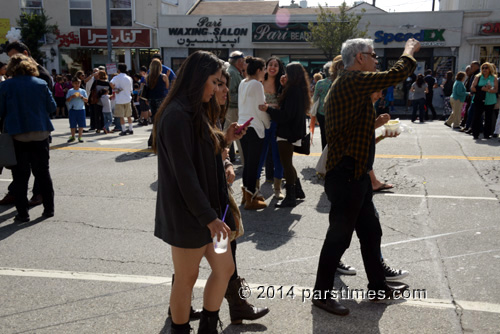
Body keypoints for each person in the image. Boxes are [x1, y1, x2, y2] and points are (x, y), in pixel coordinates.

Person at [313, 38, 420, 316]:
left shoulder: (353, 86)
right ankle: (321, 294)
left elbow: (352, 131)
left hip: (356, 174)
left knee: (371, 231)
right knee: (339, 238)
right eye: (373, 56)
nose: (375, 61)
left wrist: (379, 127)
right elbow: (396, 74)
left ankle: (377, 286)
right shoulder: (351, 80)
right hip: (345, 174)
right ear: (359, 58)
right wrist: (408, 51)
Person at [153, 50, 244, 334]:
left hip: (211, 212)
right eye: (216, 82)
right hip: (189, 216)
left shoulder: (200, 111)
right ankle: (180, 330)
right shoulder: (176, 115)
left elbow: (206, 156)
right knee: (186, 277)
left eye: (221, 83)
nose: (220, 89)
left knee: (225, 268)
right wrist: (210, 218)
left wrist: (226, 140)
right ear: (198, 79)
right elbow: (184, 175)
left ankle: (208, 323)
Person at [0, 54, 56, 222]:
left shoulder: (6, 86)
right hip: (41, 132)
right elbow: (52, 107)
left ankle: (23, 213)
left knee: (20, 176)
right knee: (43, 172)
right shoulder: (41, 83)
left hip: (17, 134)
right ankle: (49, 209)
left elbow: (1, 111)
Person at [259, 62, 310, 208]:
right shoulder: (298, 89)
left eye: (287, 73)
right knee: (287, 162)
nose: (284, 75)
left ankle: (291, 196)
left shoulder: (293, 91)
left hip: (287, 132)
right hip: (293, 130)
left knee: (286, 164)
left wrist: (268, 109)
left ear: (292, 75)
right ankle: (297, 190)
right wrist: (283, 86)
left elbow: (285, 114)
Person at [238, 56, 269, 210]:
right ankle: (250, 197)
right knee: (253, 163)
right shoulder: (257, 84)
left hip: (242, 125)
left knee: (248, 163)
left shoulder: (243, 83)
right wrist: (268, 124)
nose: (265, 72)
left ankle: (247, 194)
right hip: (254, 126)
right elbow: (261, 108)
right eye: (264, 69)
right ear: (258, 70)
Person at [256, 56, 285, 200]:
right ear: (266, 67)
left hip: (276, 124)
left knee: (277, 156)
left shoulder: (282, 84)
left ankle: (278, 188)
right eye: (270, 65)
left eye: (276, 65)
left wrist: (269, 107)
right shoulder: (259, 83)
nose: (273, 67)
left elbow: (284, 107)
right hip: (260, 124)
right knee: (259, 156)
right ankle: (255, 189)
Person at [226, 51, 246, 163]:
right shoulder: (233, 73)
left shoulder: (235, 72)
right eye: (243, 61)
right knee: (236, 135)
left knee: (234, 136)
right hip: (233, 109)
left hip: (235, 108)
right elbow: (230, 94)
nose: (244, 63)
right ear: (239, 61)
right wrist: (245, 96)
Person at [313, 59, 337, 150]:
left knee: (323, 134)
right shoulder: (337, 82)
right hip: (334, 113)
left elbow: (315, 98)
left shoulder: (320, 83)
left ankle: (324, 153)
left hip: (321, 112)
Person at [470, 62, 498, 140]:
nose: (484, 69)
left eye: (486, 68)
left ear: (490, 69)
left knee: (488, 117)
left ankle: (487, 134)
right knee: (477, 116)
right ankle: (475, 133)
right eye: (483, 68)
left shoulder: (493, 77)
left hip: (490, 100)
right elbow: (472, 88)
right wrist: (482, 88)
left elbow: (496, 90)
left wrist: (488, 90)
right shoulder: (477, 77)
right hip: (479, 99)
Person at [146, 59, 169, 147]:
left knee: (155, 120)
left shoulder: (148, 77)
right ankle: (155, 140)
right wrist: (167, 76)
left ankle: (153, 140)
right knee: (160, 120)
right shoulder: (163, 76)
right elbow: (167, 87)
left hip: (151, 99)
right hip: (161, 99)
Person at [110, 63, 133, 136]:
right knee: (129, 115)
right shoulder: (129, 78)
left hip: (119, 99)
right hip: (128, 98)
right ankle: (130, 129)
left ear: (118, 70)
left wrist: (114, 88)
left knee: (121, 116)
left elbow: (111, 83)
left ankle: (123, 130)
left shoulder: (116, 77)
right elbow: (130, 90)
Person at [66, 77, 88, 143]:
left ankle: (80, 137)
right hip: (72, 109)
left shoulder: (83, 91)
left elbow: (86, 100)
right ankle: (73, 136)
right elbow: (67, 100)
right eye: (75, 83)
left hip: (81, 109)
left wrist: (81, 97)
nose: (77, 85)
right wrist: (72, 96)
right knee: (72, 124)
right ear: (72, 84)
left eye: (78, 83)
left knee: (81, 125)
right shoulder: (70, 91)